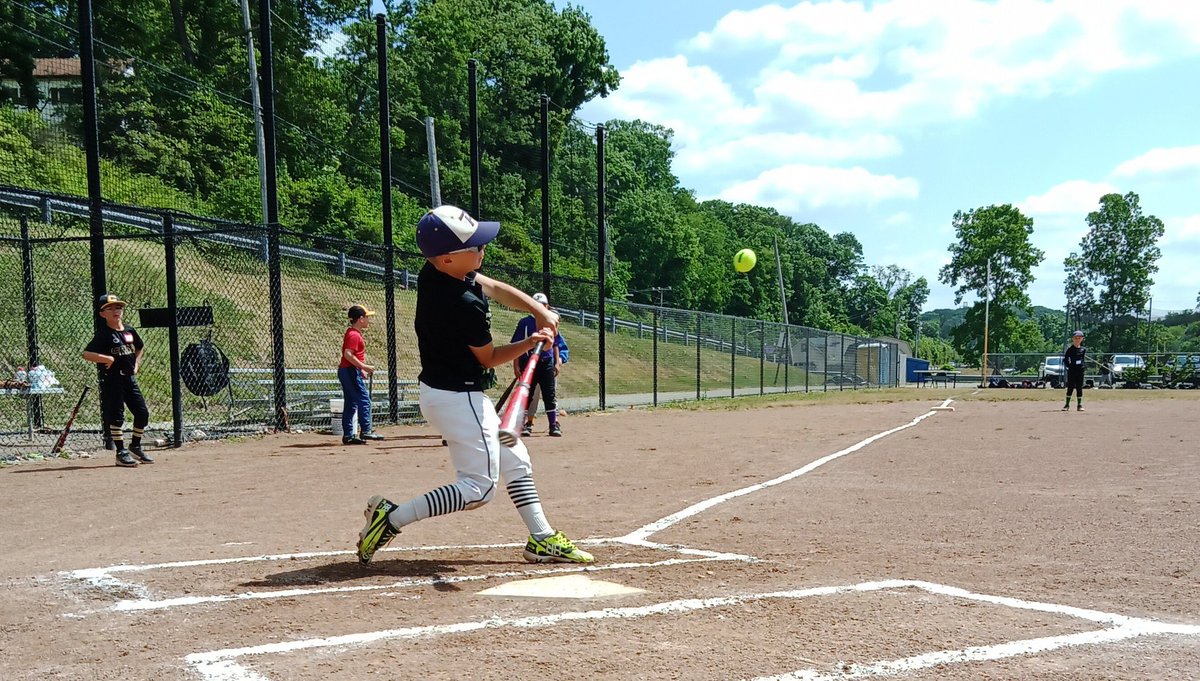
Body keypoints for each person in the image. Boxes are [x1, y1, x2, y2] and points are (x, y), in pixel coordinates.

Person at [355, 205, 593, 566]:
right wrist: (531, 342)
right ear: (448, 259)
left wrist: (539, 312)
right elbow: (489, 358)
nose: (483, 250)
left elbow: (495, 287)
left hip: (448, 394)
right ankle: (391, 518)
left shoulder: (437, 271)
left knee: (516, 461)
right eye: (475, 247)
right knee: (479, 489)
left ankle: (541, 537)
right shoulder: (462, 304)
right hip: (458, 397)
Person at [82, 293, 152, 467]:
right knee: (117, 415)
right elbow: (86, 354)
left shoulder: (129, 330)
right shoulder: (104, 334)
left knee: (142, 413)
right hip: (113, 380)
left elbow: (139, 347)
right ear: (102, 314)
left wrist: (136, 364)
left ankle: (135, 445)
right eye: (110, 308)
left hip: (129, 379)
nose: (116, 311)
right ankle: (121, 452)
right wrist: (108, 359)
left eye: (119, 307)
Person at [512, 292, 565, 437]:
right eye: (537, 305)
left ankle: (553, 425)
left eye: (543, 305)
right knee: (527, 395)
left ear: (547, 306)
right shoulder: (524, 322)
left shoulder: (550, 322)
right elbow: (516, 345)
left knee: (549, 395)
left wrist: (556, 363)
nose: (540, 308)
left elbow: (555, 344)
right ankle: (522, 425)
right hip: (529, 364)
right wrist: (516, 366)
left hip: (546, 363)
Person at [338, 305, 383, 445]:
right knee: (364, 400)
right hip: (349, 371)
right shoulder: (353, 335)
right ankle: (366, 430)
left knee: (351, 404)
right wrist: (363, 366)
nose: (369, 320)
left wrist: (360, 369)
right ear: (361, 319)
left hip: (348, 370)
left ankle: (348, 435)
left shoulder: (353, 333)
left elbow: (351, 355)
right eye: (367, 317)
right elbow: (348, 354)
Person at [1063, 330, 1087, 412]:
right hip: (1072, 371)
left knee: (1079, 387)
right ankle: (1067, 405)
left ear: (1082, 339)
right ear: (1073, 339)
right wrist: (1069, 366)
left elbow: (1082, 359)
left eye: (1079, 338)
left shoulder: (1083, 350)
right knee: (1070, 387)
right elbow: (1066, 360)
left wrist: (1083, 366)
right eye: (1076, 338)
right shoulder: (1070, 350)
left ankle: (1079, 405)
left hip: (1080, 371)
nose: (1077, 339)